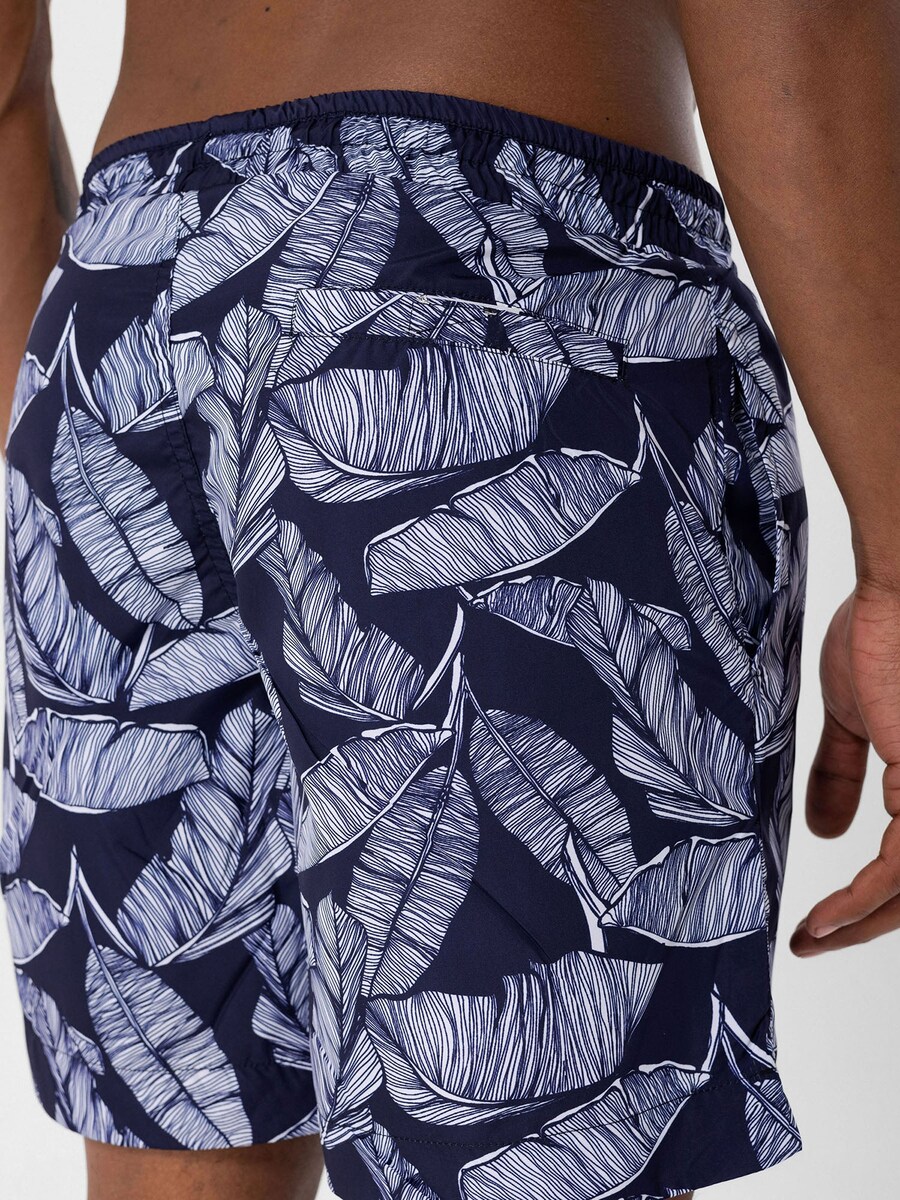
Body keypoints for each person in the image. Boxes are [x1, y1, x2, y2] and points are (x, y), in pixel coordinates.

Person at [1, 1, 898, 1198]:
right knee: (522, 1147)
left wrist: (66, 447)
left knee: (181, 1133)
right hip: (475, 273)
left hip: (113, 322)